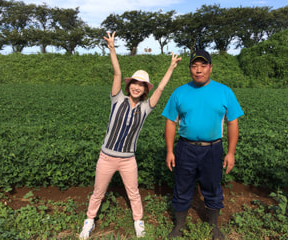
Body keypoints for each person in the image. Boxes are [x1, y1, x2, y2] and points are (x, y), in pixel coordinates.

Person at [79, 31, 182, 239]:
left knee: (133, 192)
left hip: (128, 160)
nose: (137, 87)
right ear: (130, 85)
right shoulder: (117, 99)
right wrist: (112, 48)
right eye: (135, 83)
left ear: (144, 89)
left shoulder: (145, 108)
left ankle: (138, 222)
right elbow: (117, 74)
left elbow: (161, 89)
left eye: (141, 84)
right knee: (98, 192)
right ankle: (89, 221)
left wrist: (170, 67)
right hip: (106, 157)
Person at [162, 49, 244, 240]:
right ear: (190, 68)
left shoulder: (224, 92)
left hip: (213, 149)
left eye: (203, 65)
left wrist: (230, 153)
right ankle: (179, 225)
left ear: (210, 68)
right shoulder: (179, 92)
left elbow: (232, 122)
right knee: (182, 187)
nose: (198, 70)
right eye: (194, 66)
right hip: (185, 148)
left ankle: (213, 225)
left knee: (213, 186)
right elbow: (170, 122)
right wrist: (169, 151)